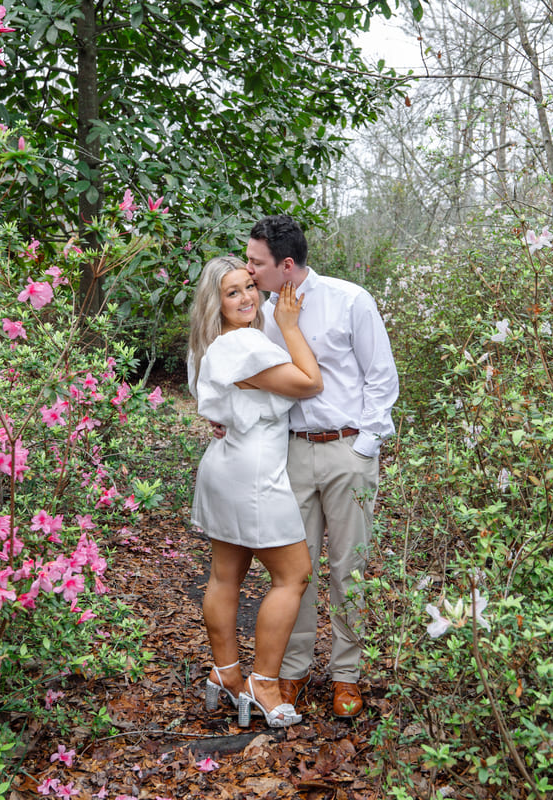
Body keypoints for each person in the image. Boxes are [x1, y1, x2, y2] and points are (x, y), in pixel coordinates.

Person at [244, 215, 398, 720]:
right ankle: (293, 670)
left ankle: (346, 675)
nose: (250, 272)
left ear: (286, 266)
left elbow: (380, 376)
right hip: (289, 450)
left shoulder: (349, 300)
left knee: (348, 567)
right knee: (295, 569)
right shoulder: (262, 314)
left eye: (257, 263)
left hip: (347, 449)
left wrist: (366, 446)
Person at [188, 254, 323, 728]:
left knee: (227, 575)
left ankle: (225, 674)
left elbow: (214, 405)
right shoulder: (246, 344)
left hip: (225, 466)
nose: (247, 297)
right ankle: (263, 683)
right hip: (254, 472)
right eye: (233, 292)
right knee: (294, 575)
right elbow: (310, 382)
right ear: (216, 302)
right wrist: (288, 323)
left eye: (249, 286)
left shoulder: (210, 344)